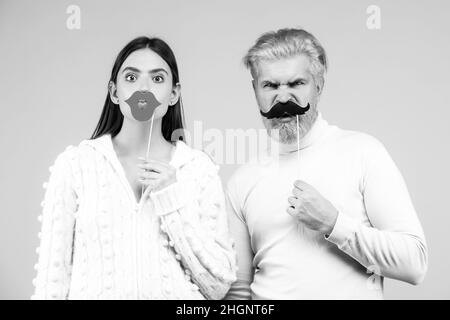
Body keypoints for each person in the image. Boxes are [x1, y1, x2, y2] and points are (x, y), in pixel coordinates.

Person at [225, 28, 428, 299]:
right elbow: (239, 290)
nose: (283, 98)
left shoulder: (364, 152)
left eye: (296, 84)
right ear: (255, 90)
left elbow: (414, 264)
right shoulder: (243, 180)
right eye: (270, 86)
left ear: (318, 85)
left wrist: (334, 223)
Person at [32, 36, 236, 300]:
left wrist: (171, 199)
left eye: (157, 79)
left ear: (173, 94)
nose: (143, 88)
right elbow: (51, 283)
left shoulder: (198, 169)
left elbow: (218, 285)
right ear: (115, 92)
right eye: (131, 78)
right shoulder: (75, 165)